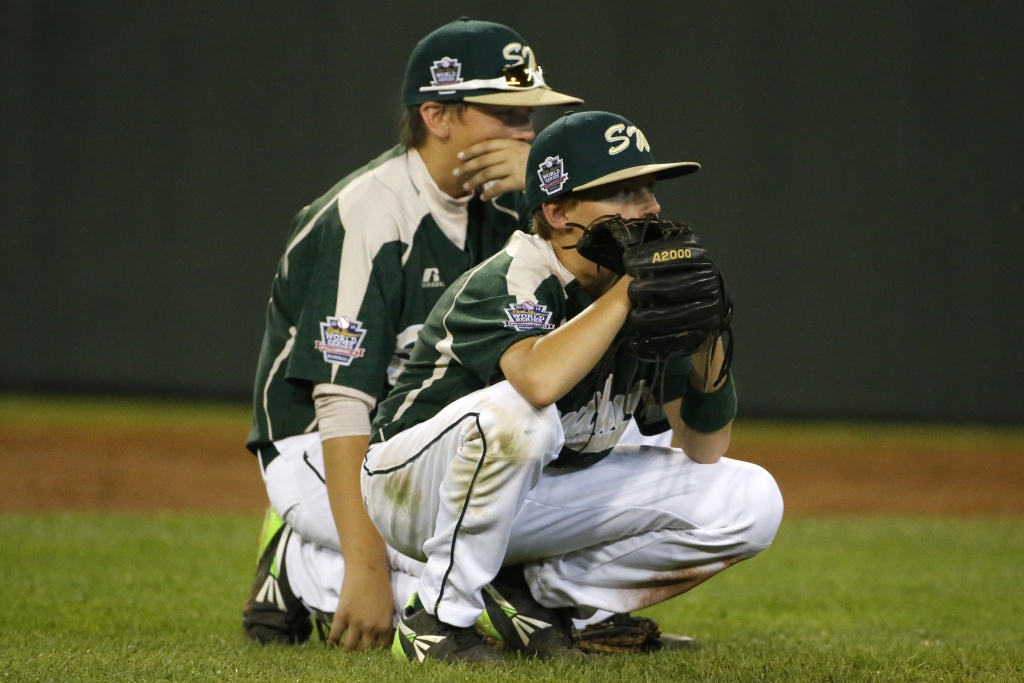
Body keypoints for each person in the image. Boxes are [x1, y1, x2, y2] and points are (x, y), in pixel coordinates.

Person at [361, 111, 784, 664]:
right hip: (412, 490)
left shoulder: (636, 287)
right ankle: (437, 619)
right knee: (520, 419)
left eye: (649, 190)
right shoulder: (511, 277)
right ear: (558, 213)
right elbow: (537, 382)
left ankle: (546, 599)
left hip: (525, 494)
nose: (649, 208)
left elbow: (705, 446)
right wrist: (630, 292)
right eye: (622, 192)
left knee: (750, 500)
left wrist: (706, 340)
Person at [241, 17, 582, 651]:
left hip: (427, 435)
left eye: (531, 112)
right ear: (438, 115)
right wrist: (365, 572)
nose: (526, 129)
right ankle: (299, 558)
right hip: (320, 445)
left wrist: (542, 180)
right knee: (447, 589)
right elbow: (341, 401)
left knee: (516, 551)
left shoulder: (516, 207)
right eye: (506, 113)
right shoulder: (369, 211)